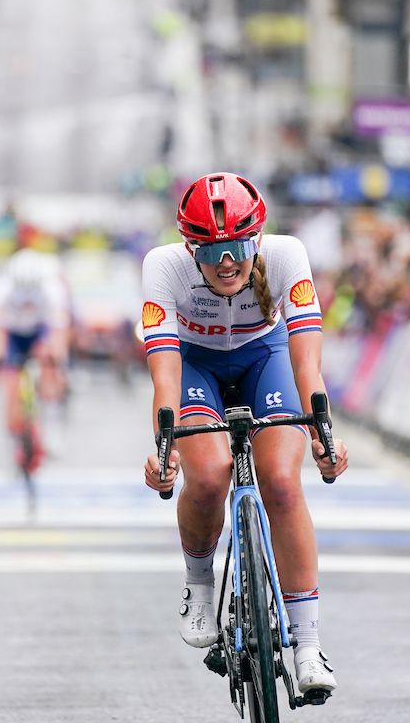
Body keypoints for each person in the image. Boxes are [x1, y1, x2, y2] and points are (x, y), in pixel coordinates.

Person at [141, 172, 349, 696]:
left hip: (266, 357)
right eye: (211, 251)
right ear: (189, 248)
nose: (227, 261)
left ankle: (307, 645)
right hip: (195, 366)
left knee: (281, 480)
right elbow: (165, 375)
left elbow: (307, 364)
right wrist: (164, 450)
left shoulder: (287, 256)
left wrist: (324, 434)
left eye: (237, 246)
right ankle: (200, 584)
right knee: (208, 475)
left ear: (256, 239)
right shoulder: (162, 267)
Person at [0, 249, 70, 470]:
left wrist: (56, 361)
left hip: (39, 331)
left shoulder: (53, 291)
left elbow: (58, 332)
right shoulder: (1, 290)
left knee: (51, 368)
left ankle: (52, 425)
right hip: (14, 334)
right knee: (10, 385)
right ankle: (14, 437)